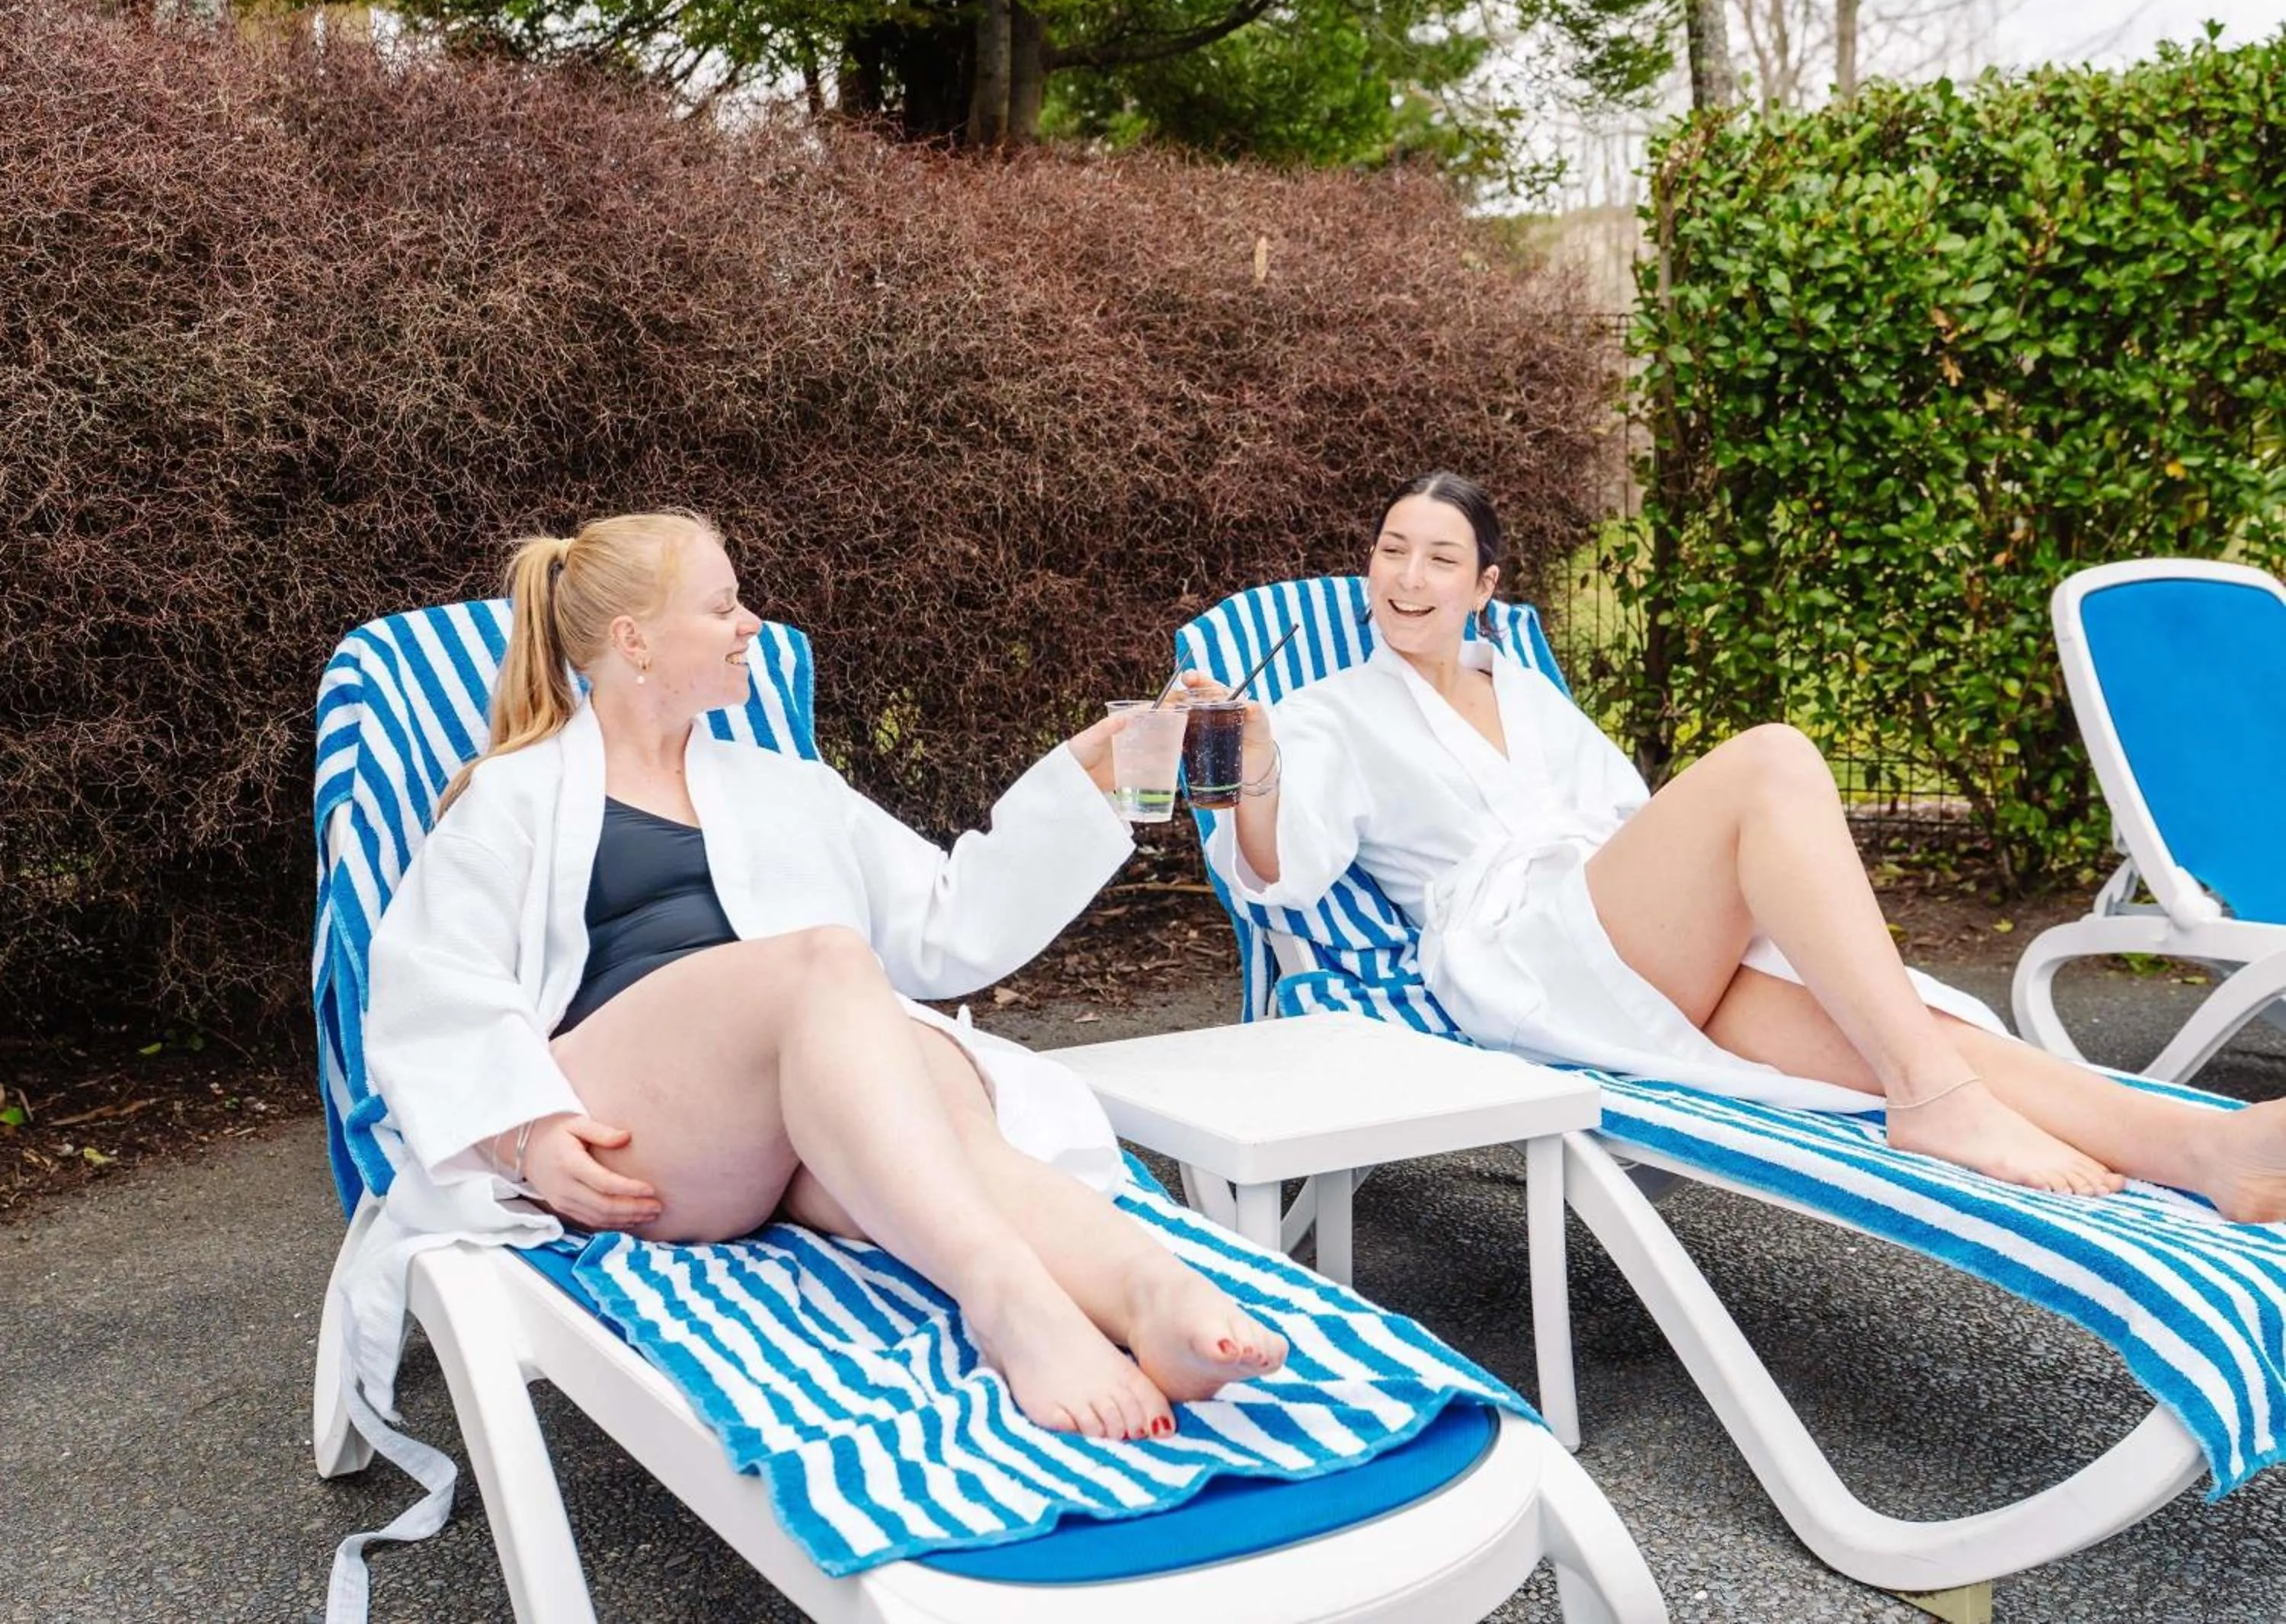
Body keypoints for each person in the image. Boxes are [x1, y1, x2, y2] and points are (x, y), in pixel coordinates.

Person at [357, 510, 1285, 1441]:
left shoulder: (787, 786)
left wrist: (1089, 776)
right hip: (644, 1124)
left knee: (955, 1141)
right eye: (723, 606)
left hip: (795, 1114)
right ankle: (1010, 1304)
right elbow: (432, 983)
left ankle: (1151, 1292)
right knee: (828, 963)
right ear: (633, 640)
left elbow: (948, 920)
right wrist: (523, 1132)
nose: (752, 625)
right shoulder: (515, 797)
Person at [1194, 471, 2286, 1222]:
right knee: (1772, 760)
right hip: (1522, 953)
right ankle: (1932, 1105)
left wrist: (1735, 910)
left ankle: (2210, 1153)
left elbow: (1624, 824)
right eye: (1392, 550)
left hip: (1628, 938)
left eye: (1442, 558)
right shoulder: (1327, 708)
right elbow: (1284, 873)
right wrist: (1247, 759)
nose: (1408, 576)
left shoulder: (1522, 689)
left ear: (1486, 590)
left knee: (1905, 1035)